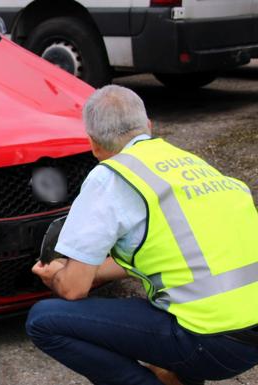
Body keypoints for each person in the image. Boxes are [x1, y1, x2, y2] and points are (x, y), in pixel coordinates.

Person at [26, 85, 258, 385]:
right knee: (166, 314)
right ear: (148, 126)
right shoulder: (189, 163)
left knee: (44, 320)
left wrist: (57, 274)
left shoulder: (110, 177)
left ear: (93, 145)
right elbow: (160, 250)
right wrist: (93, 272)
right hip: (247, 338)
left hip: (209, 341)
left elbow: (73, 289)